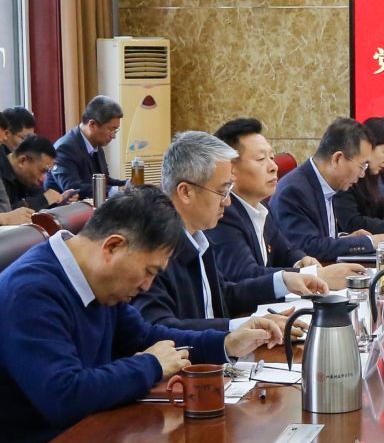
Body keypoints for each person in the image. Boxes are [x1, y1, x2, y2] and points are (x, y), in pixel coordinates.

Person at [0, 188, 283, 443]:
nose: (147, 286)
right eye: (148, 271)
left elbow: (147, 337)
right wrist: (149, 365)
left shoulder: (95, 281)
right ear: (113, 247)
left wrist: (226, 343)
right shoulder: (32, 293)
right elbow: (65, 396)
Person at [137, 131, 327, 333]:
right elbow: (158, 327)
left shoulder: (199, 237)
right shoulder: (154, 247)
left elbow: (223, 295)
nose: (227, 202)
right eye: (222, 191)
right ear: (186, 192)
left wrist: (283, 281)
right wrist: (236, 329)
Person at [212, 118, 360, 285]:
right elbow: (246, 274)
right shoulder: (223, 213)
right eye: (261, 159)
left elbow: (286, 250)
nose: (273, 167)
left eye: (272, 157)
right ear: (230, 169)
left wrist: (301, 261)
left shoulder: (260, 206)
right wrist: (314, 275)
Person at [270, 118, 384, 264]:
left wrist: (346, 239)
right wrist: (368, 242)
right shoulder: (294, 191)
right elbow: (307, 248)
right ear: (337, 159)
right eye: (362, 166)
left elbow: (321, 237)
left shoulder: (324, 183)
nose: (362, 174)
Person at [50, 96, 125, 196]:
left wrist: (126, 184)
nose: (113, 136)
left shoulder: (97, 144)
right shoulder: (64, 148)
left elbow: (104, 181)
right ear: (92, 125)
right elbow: (73, 188)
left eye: (116, 130)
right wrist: (117, 190)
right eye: (111, 129)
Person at [1, 134, 72, 211]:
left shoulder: (25, 177)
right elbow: (2, 213)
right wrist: (43, 200)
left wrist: (59, 201)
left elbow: (41, 196)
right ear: (22, 161)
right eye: (42, 171)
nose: (43, 179)